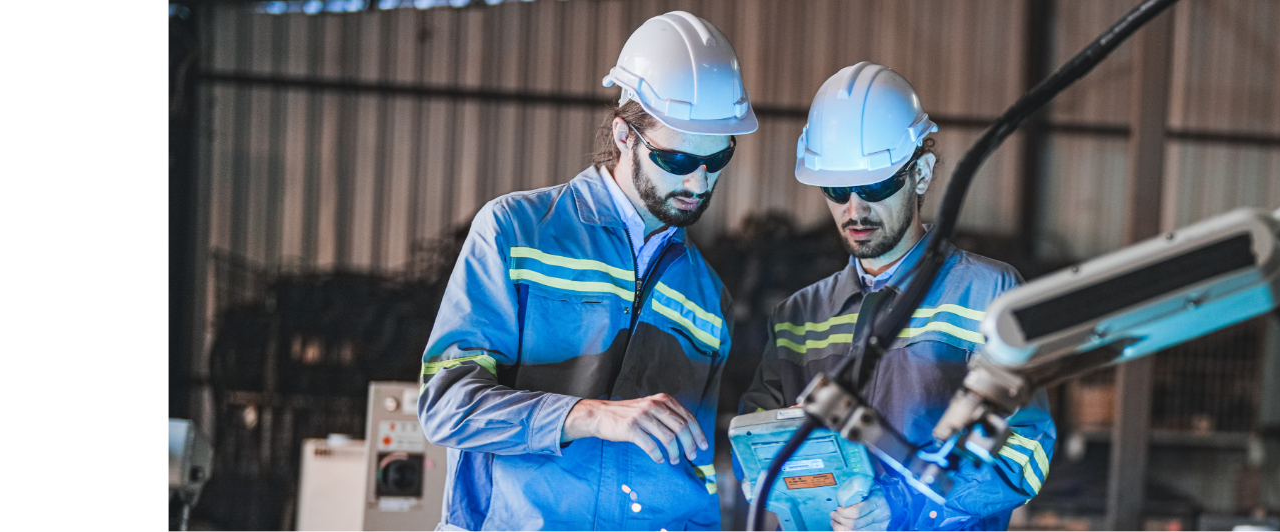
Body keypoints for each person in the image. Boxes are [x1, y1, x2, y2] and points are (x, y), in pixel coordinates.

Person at [415, 11, 757, 532]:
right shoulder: (517, 231)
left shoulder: (708, 295)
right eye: (677, 160)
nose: (698, 183)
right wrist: (589, 415)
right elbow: (447, 402)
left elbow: (695, 472)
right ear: (624, 134)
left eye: (717, 160)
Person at [738, 62, 1056, 532]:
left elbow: (1024, 449)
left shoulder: (987, 295)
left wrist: (905, 504)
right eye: (837, 189)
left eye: (874, 186)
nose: (854, 209)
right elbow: (758, 442)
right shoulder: (797, 317)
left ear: (921, 174)